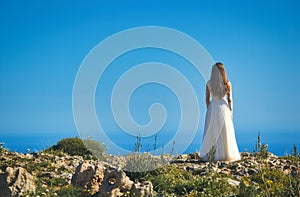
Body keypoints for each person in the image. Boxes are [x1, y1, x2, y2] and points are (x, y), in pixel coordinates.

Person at [200, 62, 241, 161]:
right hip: (224, 107)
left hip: (213, 107)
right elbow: (230, 99)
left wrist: (209, 109)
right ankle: (226, 154)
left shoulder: (209, 83)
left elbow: (206, 98)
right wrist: (231, 111)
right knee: (225, 131)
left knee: (211, 130)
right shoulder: (227, 84)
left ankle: (211, 154)